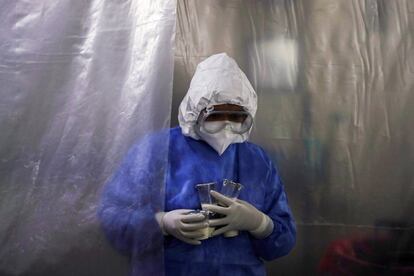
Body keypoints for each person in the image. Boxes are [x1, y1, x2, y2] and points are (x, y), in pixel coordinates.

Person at [98, 53, 296, 275]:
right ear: (196, 110)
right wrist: (161, 223)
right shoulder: (156, 150)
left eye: (237, 116)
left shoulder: (257, 161)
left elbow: (284, 241)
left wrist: (259, 223)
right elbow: (112, 216)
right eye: (216, 114)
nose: (227, 124)